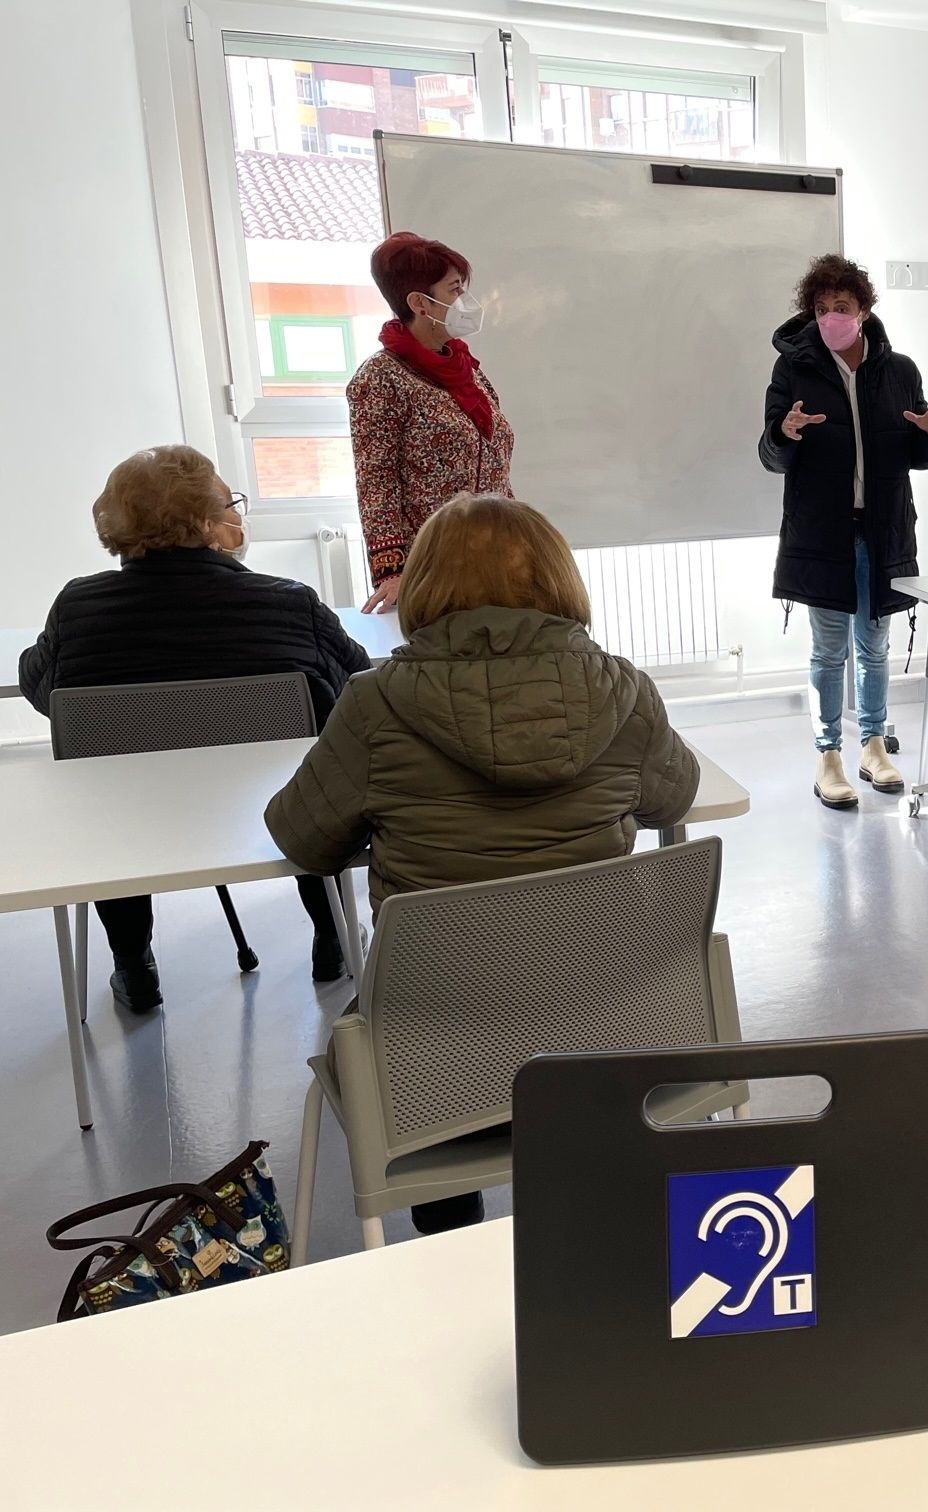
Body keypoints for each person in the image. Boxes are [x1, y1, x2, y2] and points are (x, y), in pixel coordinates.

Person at [265, 494, 699, 1234]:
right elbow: (673, 799)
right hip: (604, 1033)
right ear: (560, 580)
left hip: (430, 1064)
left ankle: (450, 1237)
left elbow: (303, 838)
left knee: (410, 1025)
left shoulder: (374, 705)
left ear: (428, 585)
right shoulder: (624, 689)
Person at [17, 445, 370, 1011]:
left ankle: (134, 964)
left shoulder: (79, 608)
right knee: (315, 774)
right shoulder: (286, 603)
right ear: (209, 522)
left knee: (112, 797)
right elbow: (356, 687)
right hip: (278, 807)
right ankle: (332, 936)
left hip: (134, 824)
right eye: (229, 502)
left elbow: (42, 693)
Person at [759, 254, 928, 810]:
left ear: (863, 311)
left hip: (884, 530)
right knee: (828, 650)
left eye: (841, 307)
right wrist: (785, 431)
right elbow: (770, 456)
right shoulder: (793, 370)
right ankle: (828, 756)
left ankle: (873, 745)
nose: (829, 318)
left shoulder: (900, 371)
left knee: (874, 647)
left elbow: (918, 453)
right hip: (823, 532)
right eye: (820, 309)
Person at [347, 232, 514, 615]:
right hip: (436, 567)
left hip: (496, 556)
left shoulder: (467, 370)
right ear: (420, 303)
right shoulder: (381, 378)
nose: (465, 301)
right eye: (455, 290)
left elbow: (495, 464)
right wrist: (393, 572)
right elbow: (376, 482)